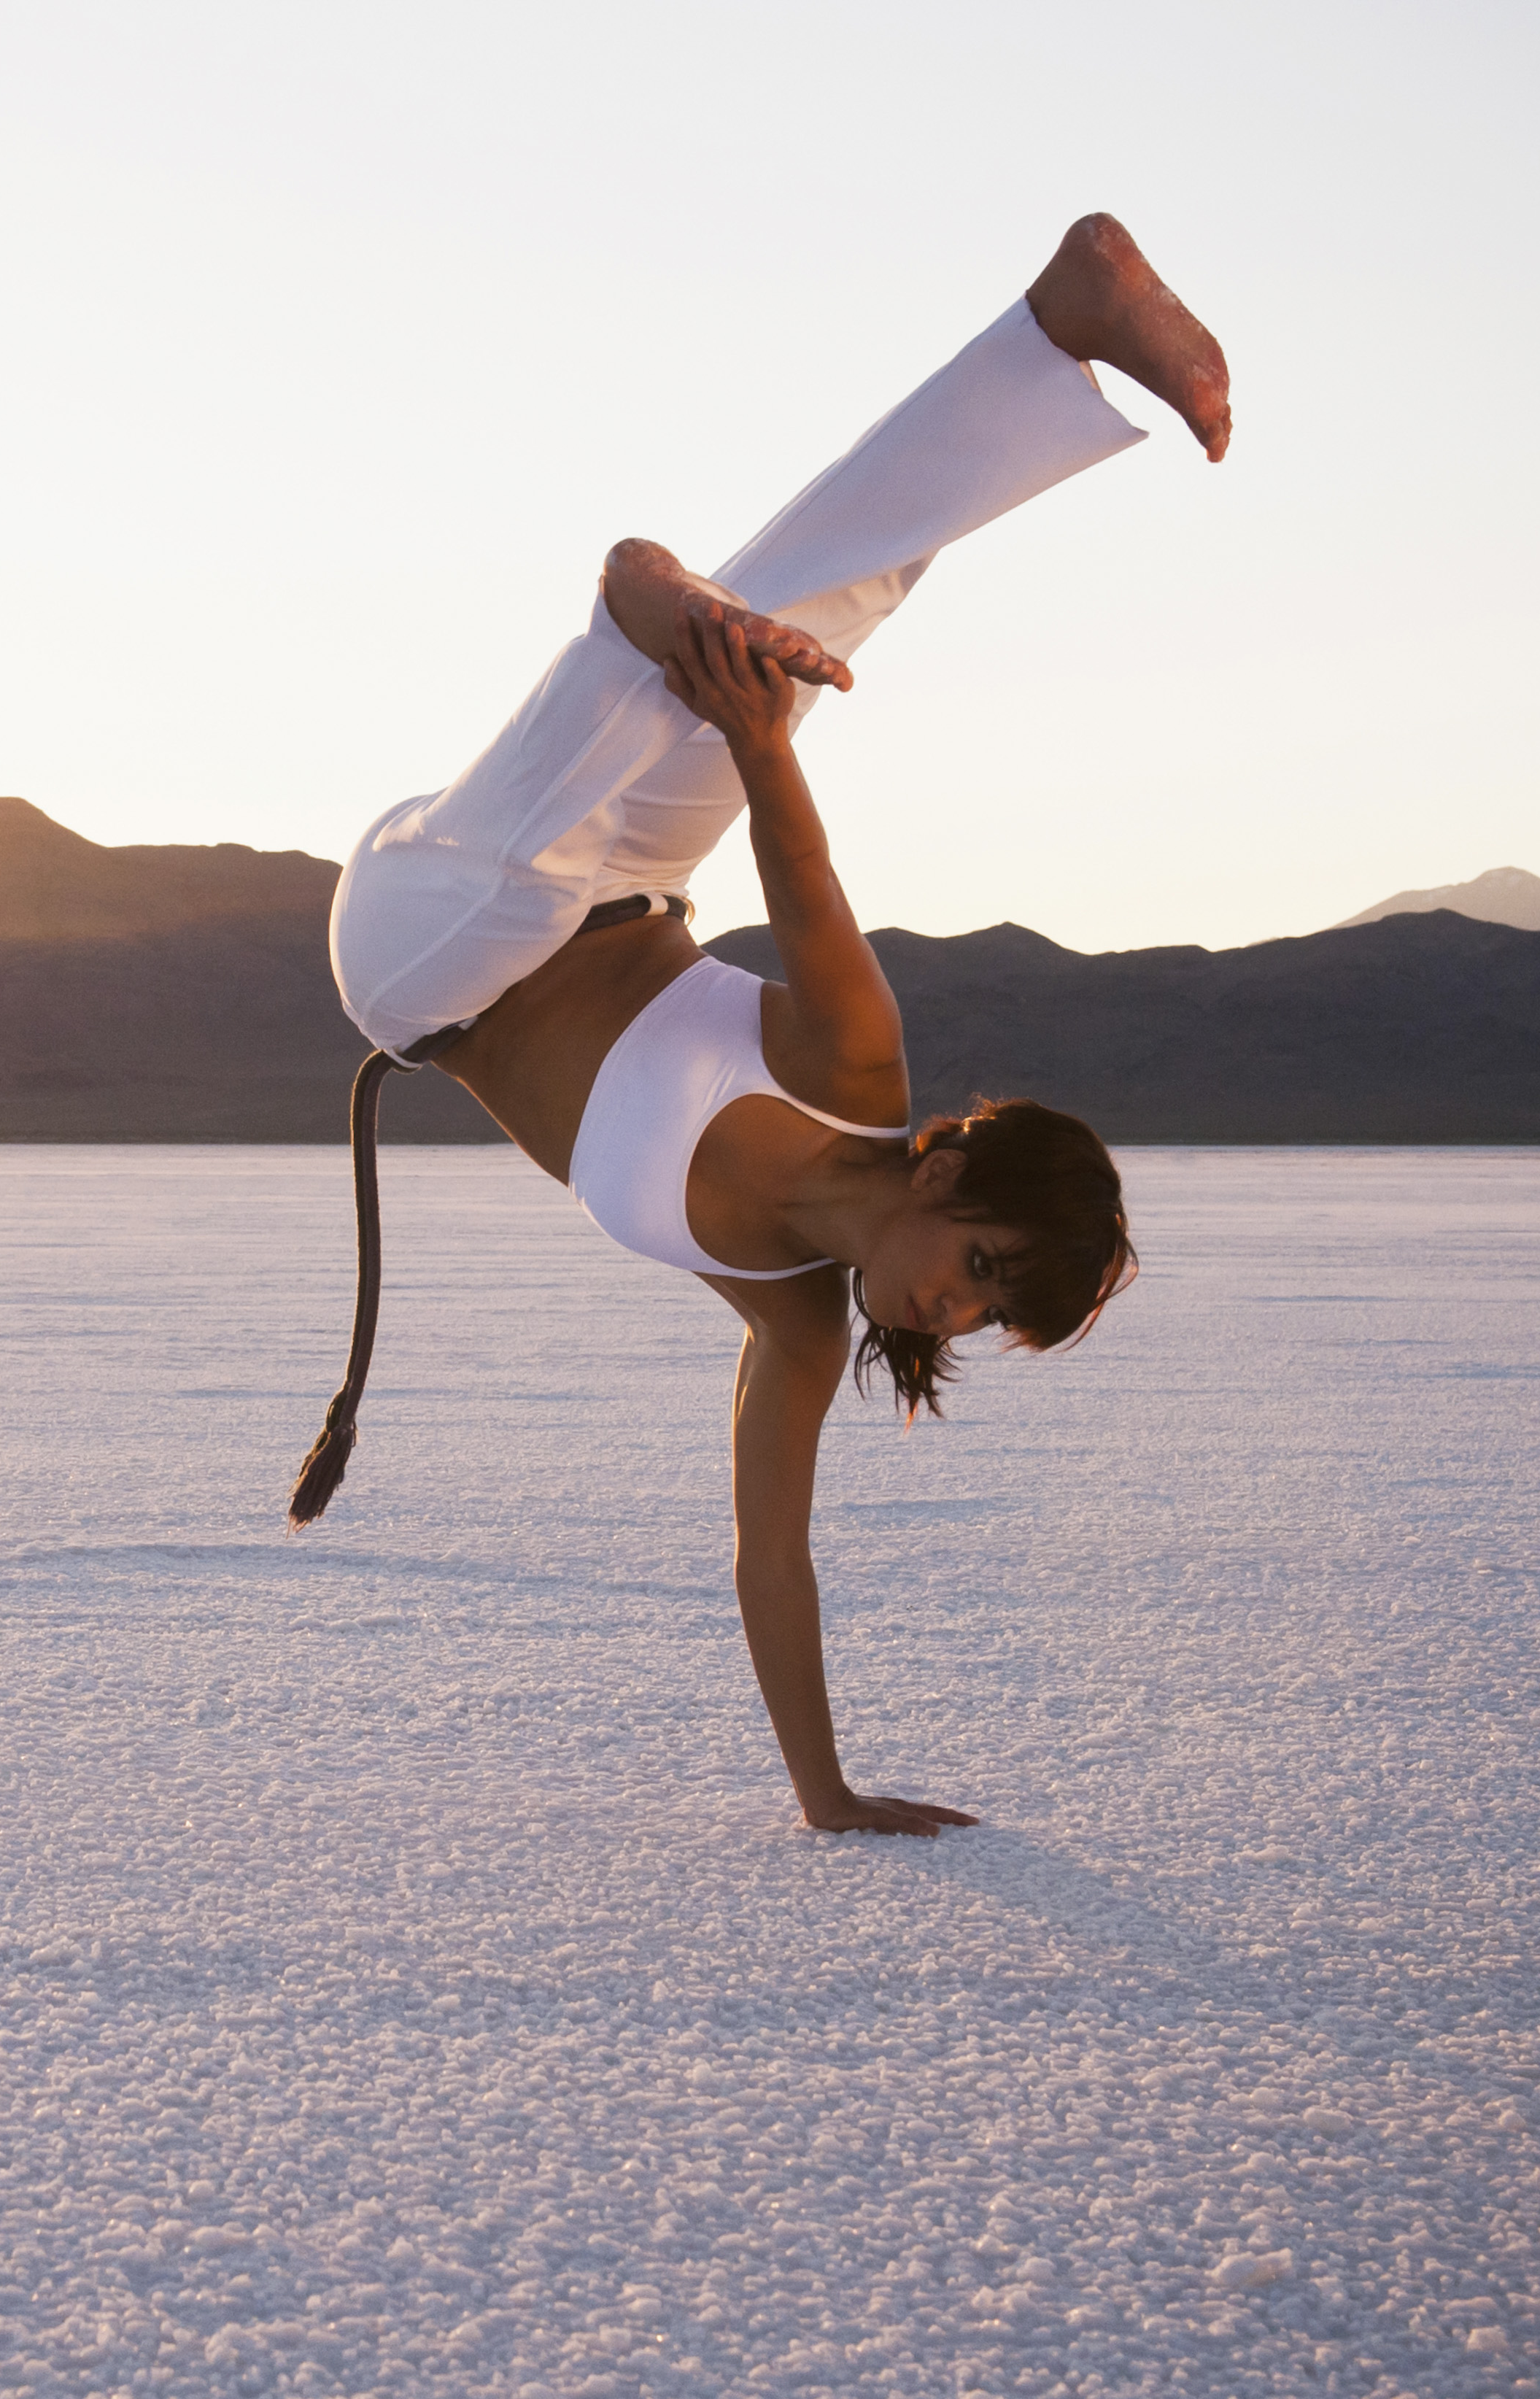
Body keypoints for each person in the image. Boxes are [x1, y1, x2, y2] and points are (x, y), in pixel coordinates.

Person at [293, 215, 1231, 1838]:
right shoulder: (854, 1068)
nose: (953, 1306)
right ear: (956, 1178)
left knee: (626, 767)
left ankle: (642, 623)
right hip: (604, 873)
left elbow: (768, 1557)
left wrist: (826, 1792)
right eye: (989, 1267)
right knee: (792, 636)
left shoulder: (795, 1320)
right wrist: (753, 720)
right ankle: (1052, 323)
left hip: (418, 954)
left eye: (984, 1311)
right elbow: (792, 863)